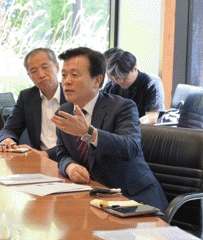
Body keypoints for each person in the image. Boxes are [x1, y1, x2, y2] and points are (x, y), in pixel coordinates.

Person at [51, 47, 168, 212]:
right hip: (96, 199)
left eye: (75, 75)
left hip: (134, 199)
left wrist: (89, 133)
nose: (67, 81)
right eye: (64, 75)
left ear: (97, 81)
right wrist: (69, 167)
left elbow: (130, 147)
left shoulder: (122, 107)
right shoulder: (64, 112)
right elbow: (62, 153)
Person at [0, 48, 66, 160]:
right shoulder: (27, 97)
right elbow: (9, 129)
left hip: (68, 161)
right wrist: (7, 139)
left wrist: (46, 154)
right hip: (38, 161)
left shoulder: (72, 95)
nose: (41, 74)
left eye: (45, 67)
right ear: (29, 75)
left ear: (57, 67)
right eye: (34, 71)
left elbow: (78, 141)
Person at [102, 48, 165, 124]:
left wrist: (128, 125)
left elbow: (152, 117)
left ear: (135, 69)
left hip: (143, 128)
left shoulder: (151, 82)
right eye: (117, 78)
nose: (121, 81)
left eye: (124, 76)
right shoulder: (113, 85)